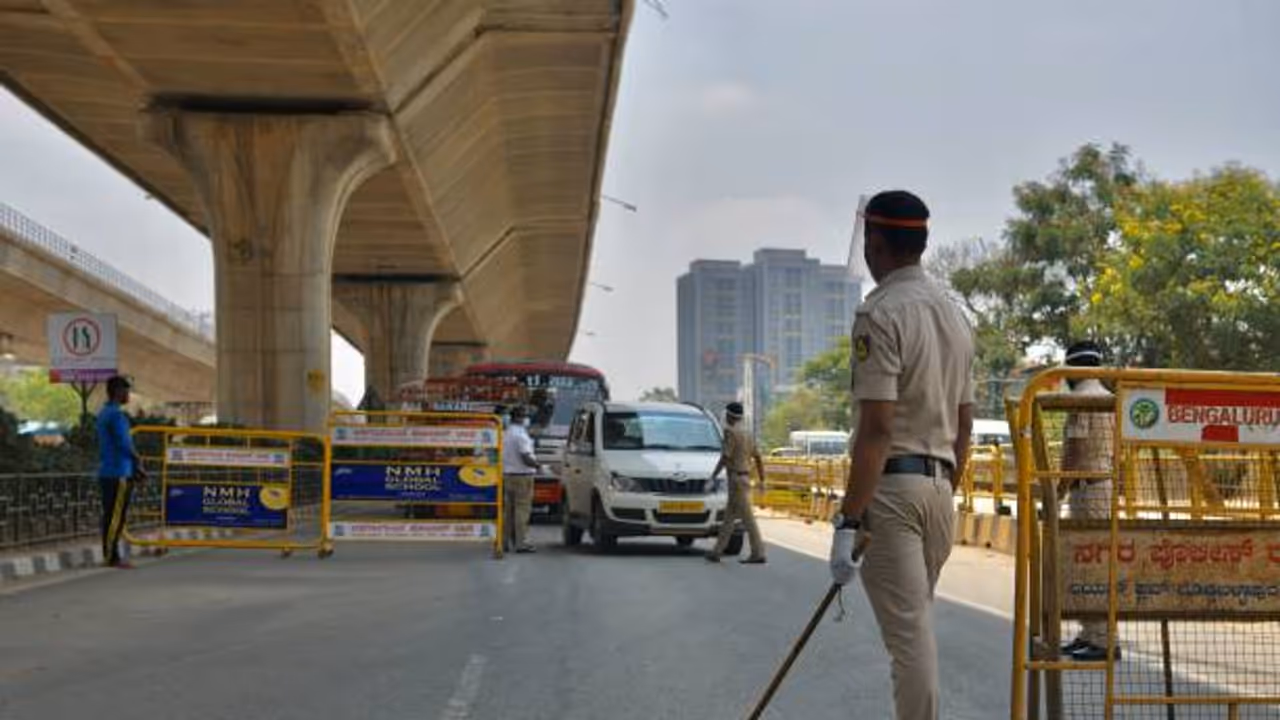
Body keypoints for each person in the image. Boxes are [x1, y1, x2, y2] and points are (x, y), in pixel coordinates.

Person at [829, 190, 975, 720]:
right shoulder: (955, 317)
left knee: (910, 643)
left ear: (875, 242)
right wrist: (940, 487)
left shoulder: (880, 313)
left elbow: (877, 428)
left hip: (893, 492)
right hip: (940, 489)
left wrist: (849, 519)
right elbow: (964, 425)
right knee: (916, 629)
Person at [1059, 339, 1118, 662]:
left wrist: (1057, 489)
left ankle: (1103, 639)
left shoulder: (1080, 399)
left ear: (1072, 367)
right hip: (1104, 484)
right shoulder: (1110, 398)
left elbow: (1075, 452)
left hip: (1086, 488)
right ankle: (1090, 633)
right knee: (1094, 563)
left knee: (1088, 564)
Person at [705, 402, 766, 564]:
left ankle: (758, 552)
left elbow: (725, 457)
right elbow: (758, 458)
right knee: (729, 518)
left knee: (748, 518)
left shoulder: (730, 432)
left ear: (729, 416)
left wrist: (713, 477)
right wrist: (762, 480)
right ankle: (717, 551)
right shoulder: (748, 433)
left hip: (735, 479)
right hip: (745, 478)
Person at [96, 375, 147, 569]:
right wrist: (138, 461)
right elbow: (125, 443)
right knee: (115, 516)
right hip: (118, 471)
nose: (129, 395)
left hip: (108, 470)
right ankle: (112, 557)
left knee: (111, 515)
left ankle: (111, 554)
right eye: (126, 391)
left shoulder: (104, 413)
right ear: (118, 392)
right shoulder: (117, 416)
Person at [502, 405, 540, 554]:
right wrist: (538, 466)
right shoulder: (521, 435)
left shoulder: (506, 433)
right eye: (525, 416)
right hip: (522, 476)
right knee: (522, 511)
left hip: (508, 475)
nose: (527, 419)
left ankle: (504, 541)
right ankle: (520, 543)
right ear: (520, 418)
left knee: (508, 511)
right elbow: (526, 457)